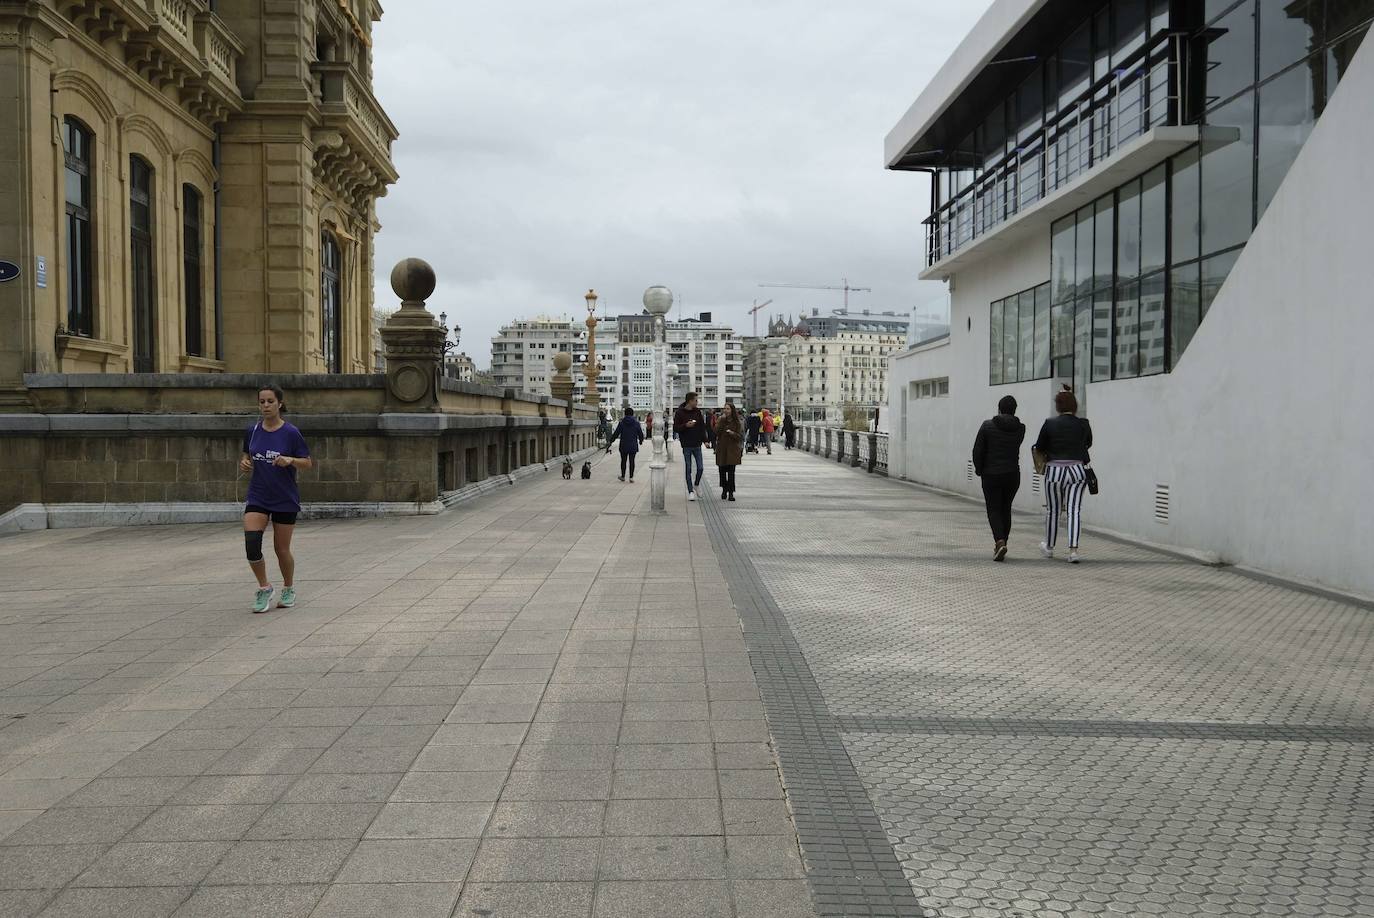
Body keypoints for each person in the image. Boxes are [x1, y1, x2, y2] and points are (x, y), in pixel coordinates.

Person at [239, 385, 313, 613]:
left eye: (270, 401)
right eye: (262, 401)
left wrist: (290, 460)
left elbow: (308, 462)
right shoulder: (252, 431)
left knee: (281, 549)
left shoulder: (290, 433)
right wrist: (244, 463)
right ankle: (264, 587)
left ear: (280, 404)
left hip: (284, 497)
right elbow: (246, 455)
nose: (265, 406)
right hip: (258, 495)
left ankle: (288, 587)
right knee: (252, 544)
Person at [1033, 385, 1093, 563]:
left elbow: (1040, 446)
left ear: (1058, 406)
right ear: (1074, 405)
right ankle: (1073, 551)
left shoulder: (1049, 423)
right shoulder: (1084, 424)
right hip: (1077, 470)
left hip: (1054, 470)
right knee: (1074, 510)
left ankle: (1049, 547)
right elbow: (1088, 443)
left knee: (1053, 510)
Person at [972, 395, 1026, 562]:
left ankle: (999, 541)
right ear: (1014, 410)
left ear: (999, 408)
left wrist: (979, 469)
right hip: (1012, 475)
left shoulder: (987, 426)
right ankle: (1002, 543)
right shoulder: (1021, 428)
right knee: (1005, 508)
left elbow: (977, 450)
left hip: (991, 474)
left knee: (994, 509)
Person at [674, 392, 708, 501]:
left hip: (697, 444)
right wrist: (685, 425)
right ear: (690, 401)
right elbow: (676, 428)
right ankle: (690, 491)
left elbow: (702, 427)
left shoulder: (697, 412)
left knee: (700, 467)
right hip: (686, 445)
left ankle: (696, 484)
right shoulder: (679, 412)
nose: (697, 402)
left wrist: (705, 441)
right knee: (688, 468)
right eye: (696, 400)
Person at [714, 402, 743, 501]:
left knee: (731, 473)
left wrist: (732, 433)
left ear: (732, 410)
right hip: (722, 449)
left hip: (732, 450)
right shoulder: (721, 420)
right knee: (722, 471)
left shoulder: (737, 422)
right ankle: (724, 489)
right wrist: (719, 422)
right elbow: (716, 432)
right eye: (724, 409)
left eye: (728, 409)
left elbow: (740, 437)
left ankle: (731, 493)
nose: (725, 411)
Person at [609, 407, 645, 482]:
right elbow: (640, 434)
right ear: (632, 414)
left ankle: (623, 476)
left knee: (623, 461)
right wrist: (641, 441)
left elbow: (616, 433)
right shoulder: (636, 423)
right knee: (632, 461)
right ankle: (631, 477)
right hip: (633, 445)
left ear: (625, 414)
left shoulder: (622, 423)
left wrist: (611, 441)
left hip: (623, 445)